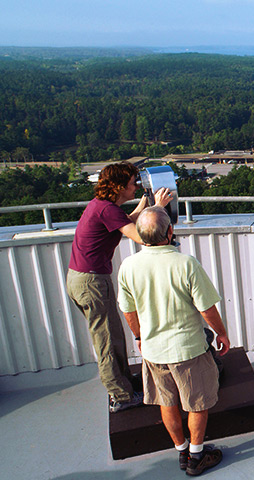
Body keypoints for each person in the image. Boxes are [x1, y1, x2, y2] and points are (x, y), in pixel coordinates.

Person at [118, 206, 230, 476]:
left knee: (167, 403)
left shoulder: (128, 266)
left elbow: (128, 310)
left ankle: (181, 451)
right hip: (188, 348)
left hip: (154, 351)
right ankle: (196, 456)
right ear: (169, 231)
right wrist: (221, 334)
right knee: (197, 403)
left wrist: (139, 337)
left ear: (141, 235)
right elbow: (206, 309)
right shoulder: (185, 263)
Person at [66, 161, 173, 413]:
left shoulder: (104, 207)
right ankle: (121, 396)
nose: (136, 187)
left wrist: (147, 202)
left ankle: (125, 383)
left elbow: (128, 221)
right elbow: (141, 235)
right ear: (118, 186)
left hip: (84, 278)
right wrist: (159, 207)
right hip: (90, 282)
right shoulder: (105, 209)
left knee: (112, 336)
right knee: (106, 340)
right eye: (132, 183)